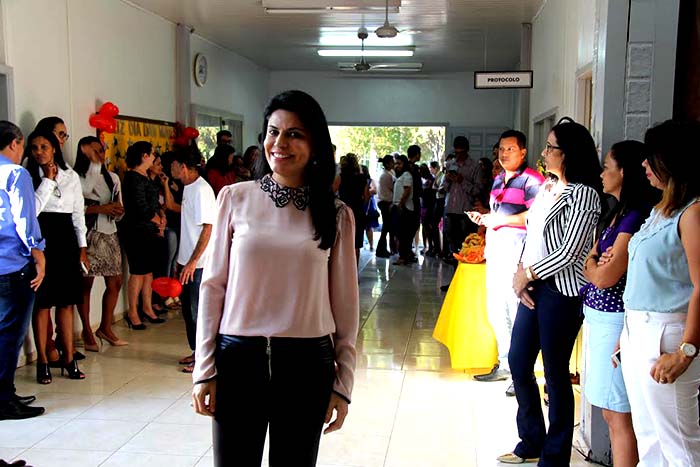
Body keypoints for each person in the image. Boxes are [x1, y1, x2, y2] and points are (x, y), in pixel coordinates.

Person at [192, 90, 359, 466]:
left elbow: (346, 305)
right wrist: (204, 369)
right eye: (273, 132)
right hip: (238, 359)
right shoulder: (234, 198)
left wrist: (343, 383)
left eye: (295, 134)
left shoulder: (337, 214)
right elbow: (213, 286)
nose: (279, 144)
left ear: (315, 143)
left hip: (307, 363)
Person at [500, 117, 602, 466]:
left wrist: (528, 274)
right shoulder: (548, 187)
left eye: (551, 147)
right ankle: (531, 439)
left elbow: (570, 250)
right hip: (533, 285)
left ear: (569, 153)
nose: (545, 153)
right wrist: (521, 274)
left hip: (561, 292)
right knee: (517, 360)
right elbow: (533, 238)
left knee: (556, 373)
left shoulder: (585, 194)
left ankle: (555, 453)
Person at [619, 120, 700, 465]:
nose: (643, 165)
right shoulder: (659, 211)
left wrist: (686, 352)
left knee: (678, 442)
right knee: (649, 437)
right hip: (638, 328)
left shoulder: (692, 214)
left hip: (668, 333)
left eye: (649, 158)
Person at [579, 140, 656, 467]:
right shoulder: (615, 211)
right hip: (598, 317)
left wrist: (597, 265)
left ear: (624, 173)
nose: (601, 173)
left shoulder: (635, 216)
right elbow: (590, 263)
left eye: (607, 167)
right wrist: (597, 263)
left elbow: (605, 276)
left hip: (616, 320)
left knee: (617, 411)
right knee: (610, 409)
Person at [467, 130, 544, 397]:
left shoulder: (532, 180)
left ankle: (521, 372)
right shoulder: (499, 179)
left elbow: (535, 217)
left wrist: (498, 221)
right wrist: (486, 218)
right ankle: (505, 363)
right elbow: (502, 212)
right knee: (496, 309)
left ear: (523, 152)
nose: (504, 153)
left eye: (510, 149)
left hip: (517, 250)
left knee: (516, 310)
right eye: (501, 149)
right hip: (497, 248)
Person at [26, 129, 89, 384]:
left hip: (65, 239)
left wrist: (82, 246)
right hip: (41, 238)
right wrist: (48, 181)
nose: (39, 152)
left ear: (54, 148)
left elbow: (78, 214)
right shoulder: (27, 175)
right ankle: (42, 360)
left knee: (66, 302)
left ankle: (69, 357)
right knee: (42, 303)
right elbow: (32, 211)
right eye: (34, 148)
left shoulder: (71, 175)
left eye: (44, 147)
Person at [0, 121, 46, 420]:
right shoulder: (16, 173)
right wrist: (39, 256)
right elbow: (24, 220)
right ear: (15, 143)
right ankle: (3, 400)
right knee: (10, 336)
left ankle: (7, 392)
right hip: (14, 263)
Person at [73, 137, 127, 349]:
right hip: (88, 235)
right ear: (84, 153)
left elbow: (119, 206)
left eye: (101, 151)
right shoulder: (77, 177)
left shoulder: (112, 177)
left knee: (115, 281)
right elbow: (75, 207)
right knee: (86, 283)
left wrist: (117, 210)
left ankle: (105, 327)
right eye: (93, 151)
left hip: (109, 233)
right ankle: (87, 331)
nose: (99, 155)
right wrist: (99, 209)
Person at [170, 146, 216, 374]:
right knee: (188, 312)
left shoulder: (201, 190)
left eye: (174, 164)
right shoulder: (188, 187)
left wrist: (192, 262)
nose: (171, 168)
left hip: (199, 264)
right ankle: (196, 352)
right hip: (187, 260)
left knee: (199, 312)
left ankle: (204, 359)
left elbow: (208, 227)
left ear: (184, 167)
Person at [120, 141, 165, 330]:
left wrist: (161, 218)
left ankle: (147, 307)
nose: (154, 157)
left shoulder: (146, 177)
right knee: (138, 272)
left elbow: (153, 203)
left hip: (149, 230)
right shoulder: (132, 178)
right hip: (136, 231)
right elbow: (140, 207)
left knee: (148, 271)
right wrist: (156, 219)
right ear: (144, 156)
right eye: (152, 153)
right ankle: (133, 312)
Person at [338, 153, 369, 265]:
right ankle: (354, 271)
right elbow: (366, 197)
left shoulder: (340, 177)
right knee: (357, 243)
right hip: (358, 211)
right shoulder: (362, 178)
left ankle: (343, 269)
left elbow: (332, 192)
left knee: (343, 241)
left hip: (344, 211)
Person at [392, 154, 414, 265]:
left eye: (399, 163)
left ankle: (403, 256)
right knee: (400, 233)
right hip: (399, 207)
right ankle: (403, 255)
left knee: (403, 234)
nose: (397, 166)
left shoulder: (406, 175)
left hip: (404, 208)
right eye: (396, 163)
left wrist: (401, 204)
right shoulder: (400, 176)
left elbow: (407, 191)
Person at [375, 155, 396, 258]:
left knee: (387, 227)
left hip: (385, 202)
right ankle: (380, 249)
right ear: (388, 163)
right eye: (392, 162)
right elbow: (394, 188)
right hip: (385, 202)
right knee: (386, 227)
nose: (394, 164)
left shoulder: (388, 173)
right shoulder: (386, 175)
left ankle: (383, 248)